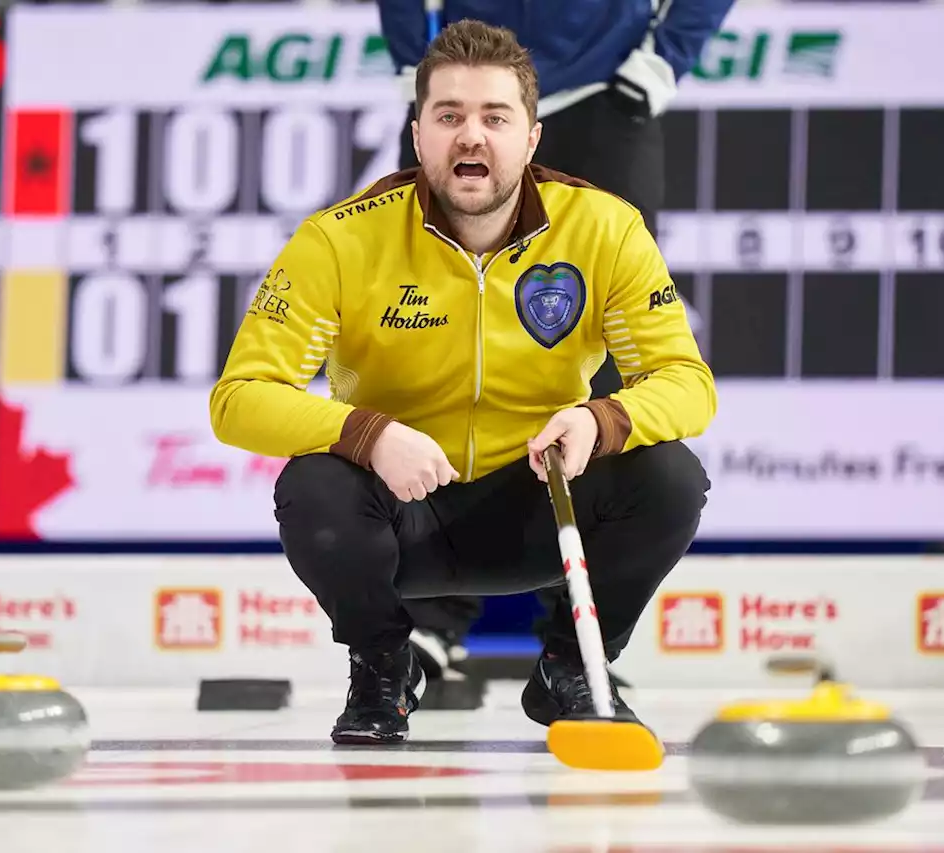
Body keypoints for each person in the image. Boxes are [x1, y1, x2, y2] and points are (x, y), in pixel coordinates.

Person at [209, 20, 715, 744]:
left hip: (543, 504)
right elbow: (239, 398)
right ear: (417, 135)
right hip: (399, 509)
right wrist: (367, 433)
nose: (471, 137)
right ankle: (383, 665)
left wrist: (599, 420)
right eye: (449, 116)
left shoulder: (606, 229)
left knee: (669, 476)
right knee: (315, 485)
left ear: (532, 138)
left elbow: (687, 384)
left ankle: (571, 667)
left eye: (495, 117)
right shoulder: (338, 239)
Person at [377, 0, 734, 677]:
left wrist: (667, 55)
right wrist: (409, 59)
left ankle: (578, 637)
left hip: (603, 95)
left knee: (598, 361)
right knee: (432, 337)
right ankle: (428, 622)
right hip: (472, 91)